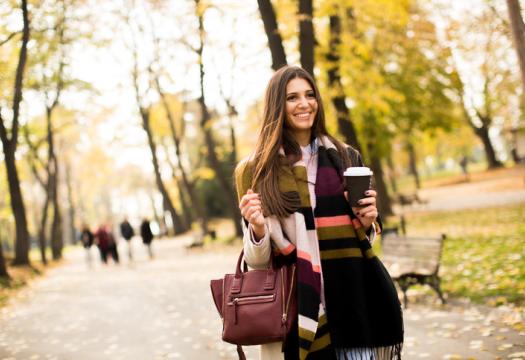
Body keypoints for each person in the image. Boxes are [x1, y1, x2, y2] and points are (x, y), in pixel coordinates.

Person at [234, 66, 403, 360]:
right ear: (276, 106)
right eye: (292, 98)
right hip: (295, 312)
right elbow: (257, 262)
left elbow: (363, 240)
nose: (304, 104)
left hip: (352, 302)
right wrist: (258, 229)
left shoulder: (345, 156)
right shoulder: (255, 171)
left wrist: (368, 223)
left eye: (310, 95)